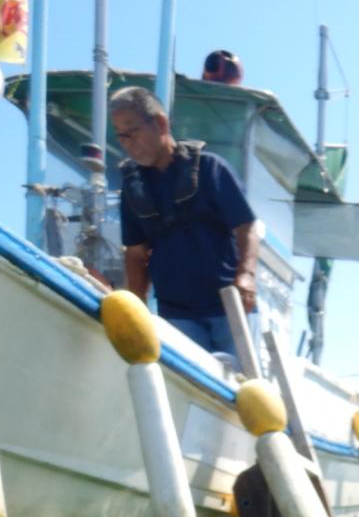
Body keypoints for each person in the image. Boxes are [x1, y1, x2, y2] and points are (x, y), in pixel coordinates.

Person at [109, 86, 258, 355]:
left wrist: (246, 276)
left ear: (160, 123)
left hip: (230, 309)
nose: (129, 142)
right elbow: (135, 253)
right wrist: (138, 308)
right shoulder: (133, 188)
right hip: (176, 317)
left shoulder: (212, 169)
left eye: (133, 132)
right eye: (121, 137)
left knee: (244, 389)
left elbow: (246, 227)